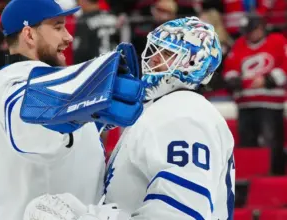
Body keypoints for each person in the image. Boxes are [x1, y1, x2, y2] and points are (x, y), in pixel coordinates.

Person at [24, 17, 235, 220]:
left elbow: (180, 213)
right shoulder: (164, 109)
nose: (153, 58)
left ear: (192, 63)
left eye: (167, 53)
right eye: (155, 49)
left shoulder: (184, 111)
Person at [0, 0, 144, 219]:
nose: (68, 36)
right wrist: (77, 110)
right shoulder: (19, 82)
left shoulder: (9, 83)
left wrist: (94, 113)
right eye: (57, 27)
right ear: (29, 34)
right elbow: (29, 125)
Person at [223, 13, 287, 175]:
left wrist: (267, 80)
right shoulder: (239, 44)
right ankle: (247, 182)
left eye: (252, 30)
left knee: (271, 143)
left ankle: (273, 180)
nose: (249, 34)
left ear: (261, 28)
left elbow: (284, 66)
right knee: (247, 146)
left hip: (270, 104)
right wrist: (238, 82)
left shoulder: (277, 41)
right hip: (245, 104)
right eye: (246, 31)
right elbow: (229, 72)